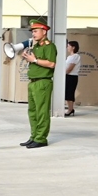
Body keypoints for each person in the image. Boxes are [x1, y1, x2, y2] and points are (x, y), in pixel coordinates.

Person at [20, 18, 57, 149]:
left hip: (43, 82)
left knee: (42, 112)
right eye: (33, 31)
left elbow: (52, 64)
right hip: (33, 82)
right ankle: (34, 136)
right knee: (32, 111)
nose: (33, 34)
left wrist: (34, 60)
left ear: (44, 31)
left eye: (36, 31)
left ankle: (41, 138)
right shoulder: (36, 46)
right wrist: (28, 58)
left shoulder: (49, 46)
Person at [64, 40, 80, 117]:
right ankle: (70, 109)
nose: (67, 47)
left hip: (71, 76)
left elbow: (70, 68)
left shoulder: (76, 56)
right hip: (67, 76)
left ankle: (70, 109)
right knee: (66, 93)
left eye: (69, 46)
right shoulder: (69, 57)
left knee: (70, 93)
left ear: (73, 47)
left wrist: (64, 74)